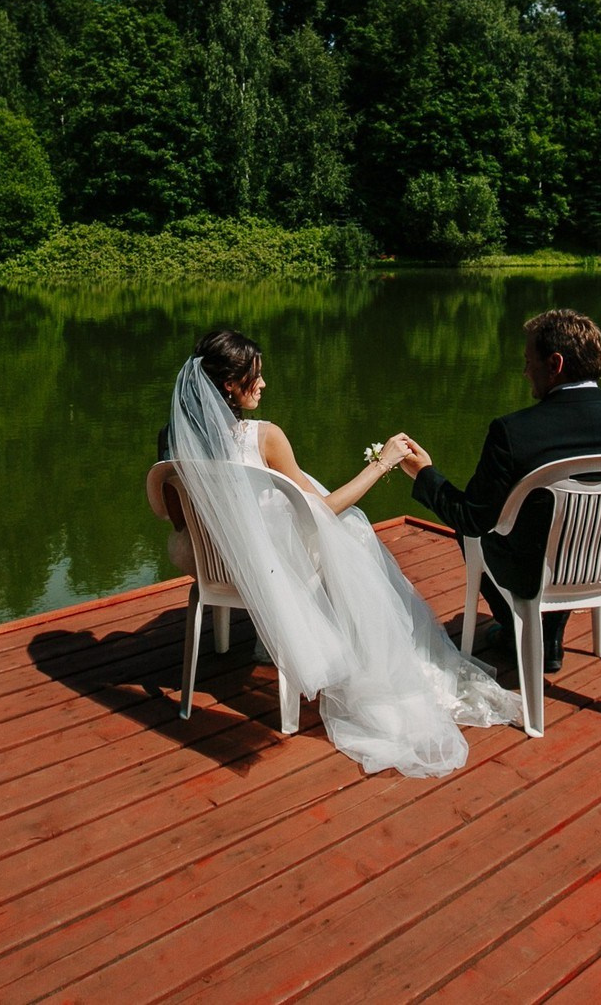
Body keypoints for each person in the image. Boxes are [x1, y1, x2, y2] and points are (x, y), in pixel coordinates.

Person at [164, 329, 519, 778]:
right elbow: (323, 511)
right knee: (352, 530)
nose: (264, 384)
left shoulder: (174, 440)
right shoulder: (264, 437)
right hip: (271, 570)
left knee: (334, 530)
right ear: (231, 386)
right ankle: (374, 658)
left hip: (216, 565)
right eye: (256, 375)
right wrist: (384, 462)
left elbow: (176, 517)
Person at [400, 308, 601, 674]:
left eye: (529, 361)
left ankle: (516, 630)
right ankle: (551, 637)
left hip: (532, 575)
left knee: (473, 530)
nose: (526, 372)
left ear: (555, 363)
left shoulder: (514, 432)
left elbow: (471, 517)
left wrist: (423, 473)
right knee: (562, 531)